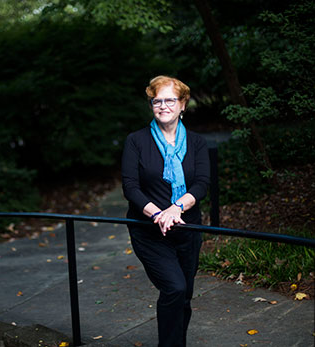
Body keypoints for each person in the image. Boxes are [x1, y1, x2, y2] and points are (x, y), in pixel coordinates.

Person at [121, 75, 210, 347]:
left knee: (184, 296)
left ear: (183, 104)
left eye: (170, 99)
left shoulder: (196, 143)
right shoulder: (136, 141)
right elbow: (130, 186)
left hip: (187, 230)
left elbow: (202, 183)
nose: (163, 105)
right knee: (174, 287)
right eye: (156, 100)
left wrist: (176, 208)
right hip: (149, 231)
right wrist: (159, 214)